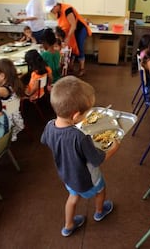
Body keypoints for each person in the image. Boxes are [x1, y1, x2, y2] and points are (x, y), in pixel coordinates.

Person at [40, 76, 120, 237]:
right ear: (76, 115)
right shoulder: (79, 137)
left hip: (67, 174)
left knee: (73, 197)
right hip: (87, 177)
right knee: (101, 190)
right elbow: (98, 160)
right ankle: (99, 211)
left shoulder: (49, 126)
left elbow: (45, 140)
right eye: (87, 112)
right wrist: (114, 147)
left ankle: (68, 225)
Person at [44, 0, 92, 76]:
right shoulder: (57, 12)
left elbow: (73, 25)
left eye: (52, 10)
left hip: (79, 29)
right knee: (69, 48)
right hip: (70, 30)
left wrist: (68, 37)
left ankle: (82, 69)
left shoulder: (67, 10)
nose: (51, 12)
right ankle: (70, 67)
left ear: (55, 5)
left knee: (79, 47)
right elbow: (62, 25)